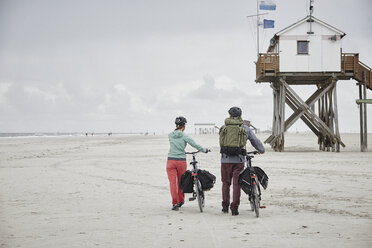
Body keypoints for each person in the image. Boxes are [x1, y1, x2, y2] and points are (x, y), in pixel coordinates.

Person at [220, 107, 265, 216]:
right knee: (236, 184)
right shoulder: (245, 128)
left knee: (226, 183)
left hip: (225, 160)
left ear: (229, 115)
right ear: (240, 116)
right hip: (239, 160)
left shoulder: (223, 128)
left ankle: (225, 206)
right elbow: (255, 141)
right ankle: (234, 208)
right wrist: (261, 150)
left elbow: (222, 143)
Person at [167, 116, 209, 211]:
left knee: (173, 183)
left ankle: (175, 203)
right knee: (181, 182)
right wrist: (204, 150)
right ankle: (181, 201)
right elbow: (194, 144)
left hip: (170, 161)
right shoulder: (184, 135)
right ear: (184, 126)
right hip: (180, 161)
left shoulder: (170, 135)